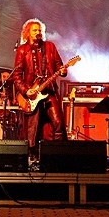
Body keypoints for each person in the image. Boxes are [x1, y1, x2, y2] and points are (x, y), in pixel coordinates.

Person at [12, 19, 67, 158]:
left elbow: (59, 65)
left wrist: (63, 71)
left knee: (58, 122)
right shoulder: (23, 50)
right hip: (32, 93)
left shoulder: (50, 47)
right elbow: (16, 76)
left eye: (39, 30)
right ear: (27, 33)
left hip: (49, 91)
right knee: (32, 129)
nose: (38, 32)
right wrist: (26, 90)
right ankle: (32, 156)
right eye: (34, 30)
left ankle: (58, 155)